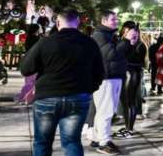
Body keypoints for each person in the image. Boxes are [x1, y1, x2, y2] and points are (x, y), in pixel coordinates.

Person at [19, 9, 105, 156]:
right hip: (78, 96)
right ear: (77, 23)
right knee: (72, 141)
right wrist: (89, 89)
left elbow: (26, 69)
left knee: (42, 142)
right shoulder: (89, 43)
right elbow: (99, 73)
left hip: (47, 97)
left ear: (57, 22)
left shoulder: (45, 42)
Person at [88, 11, 137, 155]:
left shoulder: (110, 35)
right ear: (104, 21)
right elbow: (111, 55)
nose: (116, 21)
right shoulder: (100, 36)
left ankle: (98, 138)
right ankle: (104, 142)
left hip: (114, 76)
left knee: (104, 109)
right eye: (113, 19)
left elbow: (123, 55)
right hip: (106, 77)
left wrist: (131, 43)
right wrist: (126, 41)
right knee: (106, 110)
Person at [115, 22, 146, 139]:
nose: (126, 34)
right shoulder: (123, 43)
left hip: (131, 73)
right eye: (125, 31)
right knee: (124, 102)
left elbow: (137, 61)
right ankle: (127, 127)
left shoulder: (139, 45)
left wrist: (131, 44)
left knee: (129, 101)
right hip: (124, 73)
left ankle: (130, 129)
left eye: (129, 32)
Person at [13, 23, 42, 105]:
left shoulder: (28, 38)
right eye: (39, 28)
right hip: (35, 61)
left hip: (28, 60)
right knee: (33, 82)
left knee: (29, 81)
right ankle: (20, 95)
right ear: (37, 30)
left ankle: (29, 99)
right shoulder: (37, 39)